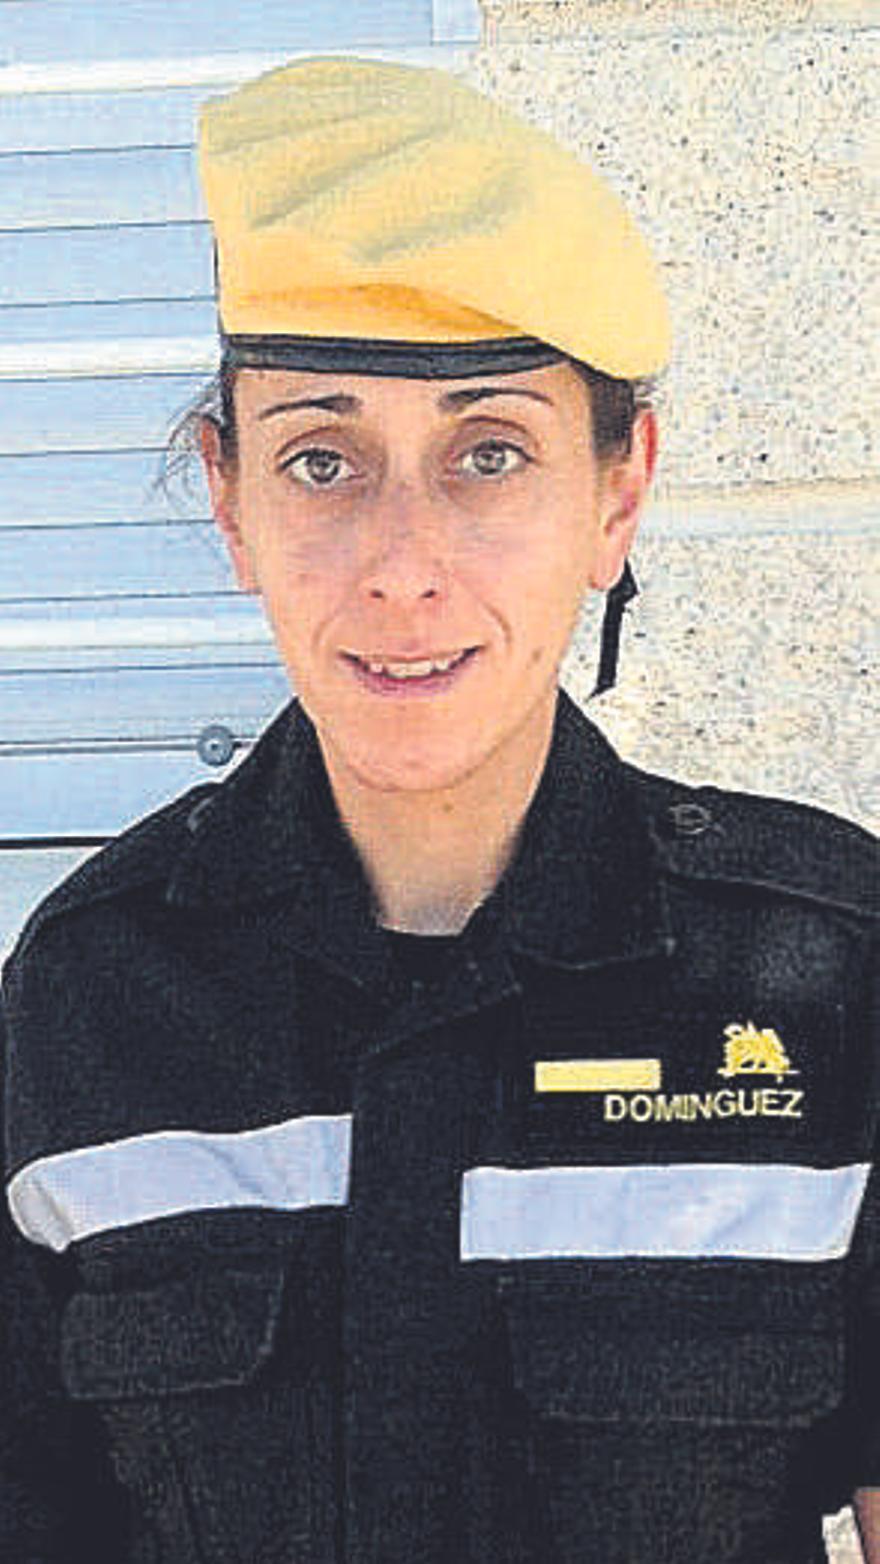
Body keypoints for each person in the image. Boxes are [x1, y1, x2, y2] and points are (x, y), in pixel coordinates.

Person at [0, 55, 877, 1564]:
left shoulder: (832, 977)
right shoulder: (86, 996)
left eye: (489, 454)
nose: (402, 564)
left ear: (616, 494)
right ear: (230, 501)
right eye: (321, 460)